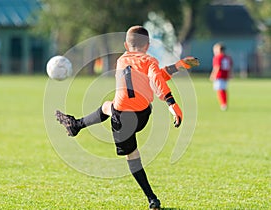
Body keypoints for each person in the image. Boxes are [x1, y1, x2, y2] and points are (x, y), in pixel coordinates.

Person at [56, 25, 199, 210]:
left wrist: (177, 68)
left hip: (121, 118)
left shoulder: (121, 60)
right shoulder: (149, 60)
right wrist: (172, 102)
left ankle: (152, 199)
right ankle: (76, 125)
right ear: (147, 45)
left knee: (132, 154)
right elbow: (156, 77)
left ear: (125, 45)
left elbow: (154, 76)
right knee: (108, 106)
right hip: (142, 115)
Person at [210, 43, 233, 111]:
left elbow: (217, 67)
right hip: (225, 75)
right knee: (223, 89)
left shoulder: (218, 57)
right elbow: (230, 67)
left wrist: (213, 75)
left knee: (220, 90)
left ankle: (223, 104)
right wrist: (230, 74)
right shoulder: (227, 57)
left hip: (219, 75)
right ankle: (224, 103)